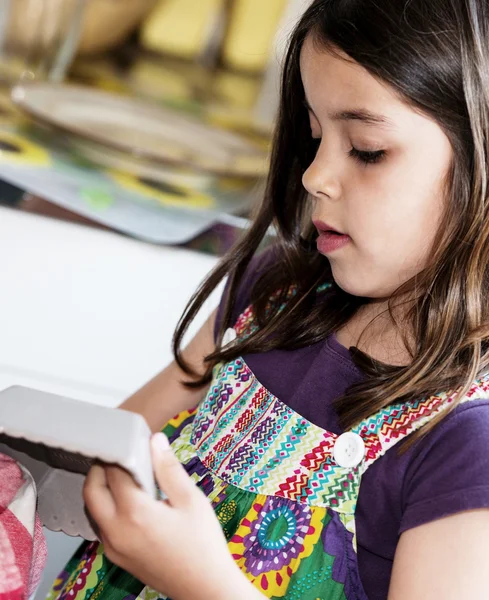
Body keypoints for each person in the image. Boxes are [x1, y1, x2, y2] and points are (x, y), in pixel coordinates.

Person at [47, 0, 489, 598]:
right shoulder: (271, 292)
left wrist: (198, 582)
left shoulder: (468, 443)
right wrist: (31, 464)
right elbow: (104, 450)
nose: (315, 176)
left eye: (365, 149)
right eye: (314, 136)